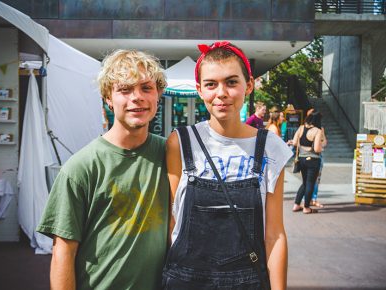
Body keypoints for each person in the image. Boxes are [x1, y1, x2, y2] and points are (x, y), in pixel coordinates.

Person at [163, 41, 293, 289]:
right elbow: (171, 222)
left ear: (249, 85)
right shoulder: (180, 142)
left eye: (231, 82)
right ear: (200, 90)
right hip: (185, 279)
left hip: (247, 280)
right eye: (211, 84)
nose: (221, 92)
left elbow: (275, 233)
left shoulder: (271, 147)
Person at [36, 49, 169, 290]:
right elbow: (63, 252)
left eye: (146, 88)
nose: (136, 97)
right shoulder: (81, 167)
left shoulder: (172, 154)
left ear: (158, 94)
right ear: (108, 97)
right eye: (125, 90)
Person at [290, 110, 323, 214]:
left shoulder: (300, 128)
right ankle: (306, 207)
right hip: (313, 160)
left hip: (302, 159)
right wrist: (321, 147)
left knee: (305, 183)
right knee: (310, 184)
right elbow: (317, 149)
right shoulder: (317, 131)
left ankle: (296, 205)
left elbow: (294, 142)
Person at [306, 108, 327, 208]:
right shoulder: (305, 128)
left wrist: (319, 143)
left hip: (319, 156)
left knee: (317, 179)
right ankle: (306, 200)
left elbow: (325, 142)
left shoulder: (321, 129)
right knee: (307, 180)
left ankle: (314, 199)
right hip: (309, 156)